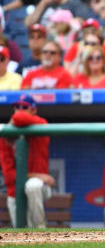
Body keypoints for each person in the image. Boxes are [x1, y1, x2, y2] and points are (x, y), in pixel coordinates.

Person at [0, 95, 55, 228]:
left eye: (24, 107)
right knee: (22, 233)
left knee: (32, 185)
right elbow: (9, 176)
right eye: (16, 107)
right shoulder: (4, 137)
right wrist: (36, 175)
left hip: (40, 188)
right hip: (15, 191)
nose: (19, 110)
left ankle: (40, 229)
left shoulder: (41, 124)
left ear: (33, 110)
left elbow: (20, 118)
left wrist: (13, 120)